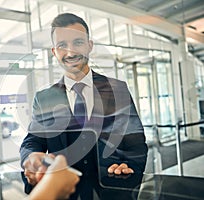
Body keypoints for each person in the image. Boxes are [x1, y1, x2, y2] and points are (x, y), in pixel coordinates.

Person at [20, 12, 148, 196]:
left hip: (112, 192)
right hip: (64, 194)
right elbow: (33, 141)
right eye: (62, 45)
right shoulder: (44, 98)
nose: (70, 52)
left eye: (78, 43)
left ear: (89, 46)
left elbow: (136, 143)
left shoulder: (117, 90)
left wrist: (128, 165)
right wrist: (31, 157)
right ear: (54, 52)